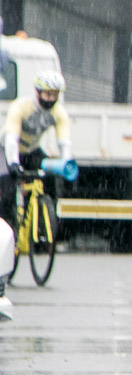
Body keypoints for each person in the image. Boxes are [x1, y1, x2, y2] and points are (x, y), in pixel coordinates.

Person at [0, 69, 71, 319]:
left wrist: (66, 163)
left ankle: (44, 215)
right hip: (9, 149)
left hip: (32, 150)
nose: (50, 99)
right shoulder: (22, 107)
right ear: (38, 92)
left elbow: (64, 142)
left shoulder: (58, 114)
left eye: (54, 95)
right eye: (47, 94)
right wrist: (13, 164)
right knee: (7, 194)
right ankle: (9, 229)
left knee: (51, 180)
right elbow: (10, 137)